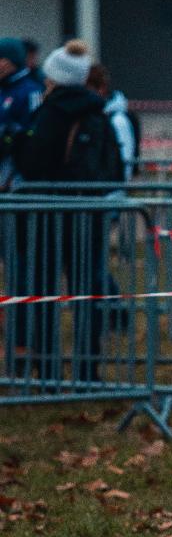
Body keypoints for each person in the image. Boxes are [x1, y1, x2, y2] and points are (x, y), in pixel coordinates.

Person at [16, 39, 122, 382]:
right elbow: (115, 168)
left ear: (57, 77)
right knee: (86, 292)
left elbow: (32, 164)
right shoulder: (98, 112)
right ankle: (88, 370)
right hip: (89, 216)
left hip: (48, 216)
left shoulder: (50, 113)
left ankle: (48, 370)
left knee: (44, 294)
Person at [0, 37, 44, 189]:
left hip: (16, 172)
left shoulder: (31, 91)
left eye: (1, 59)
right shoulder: (4, 90)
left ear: (13, 61)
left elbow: (31, 133)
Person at [87, 63, 136, 182]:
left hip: (110, 188)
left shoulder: (118, 121)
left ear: (101, 89)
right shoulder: (100, 117)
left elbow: (124, 162)